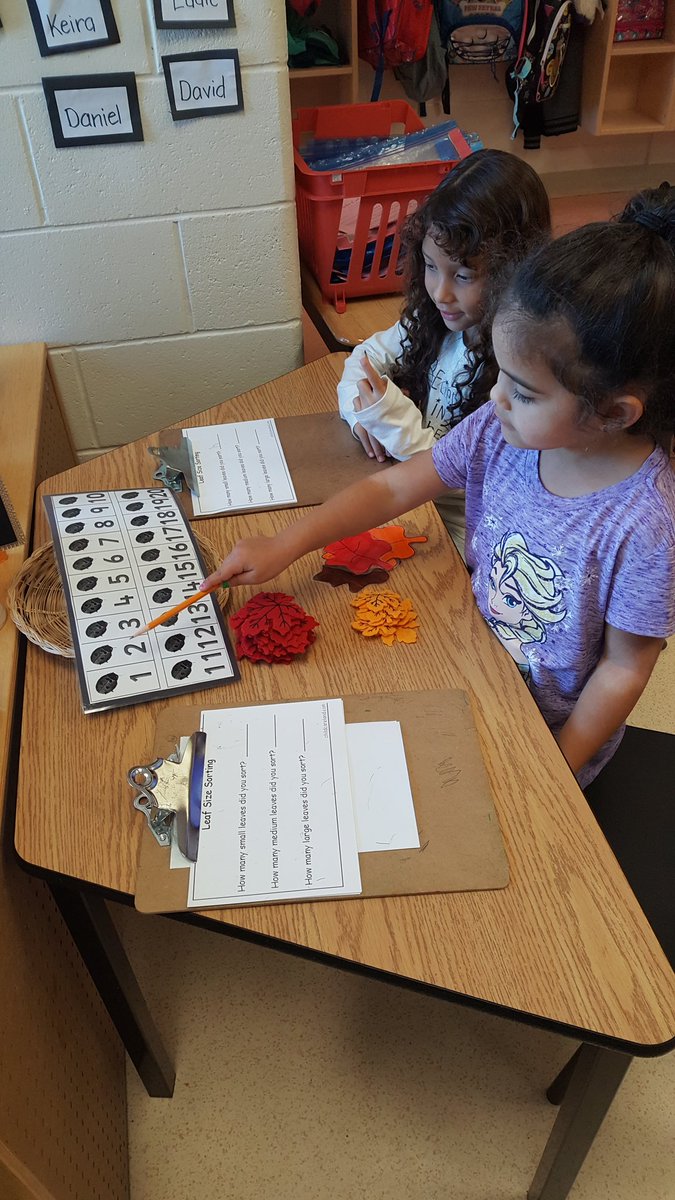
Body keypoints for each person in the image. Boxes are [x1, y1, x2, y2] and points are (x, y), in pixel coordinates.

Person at [204, 185, 675, 788]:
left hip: (548, 736)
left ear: (613, 414)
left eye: (525, 392)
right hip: (471, 659)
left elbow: (622, 671)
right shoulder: (500, 427)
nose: (496, 397)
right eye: (500, 374)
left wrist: (554, 767)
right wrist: (285, 543)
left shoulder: (646, 524)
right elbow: (393, 490)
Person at [337, 148, 551, 554]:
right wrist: (360, 418)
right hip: (410, 506)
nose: (439, 292)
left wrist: (393, 424)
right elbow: (362, 360)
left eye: (464, 275)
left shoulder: (520, 370)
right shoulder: (437, 320)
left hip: (462, 547)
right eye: (430, 266)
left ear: (514, 271)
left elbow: (465, 485)